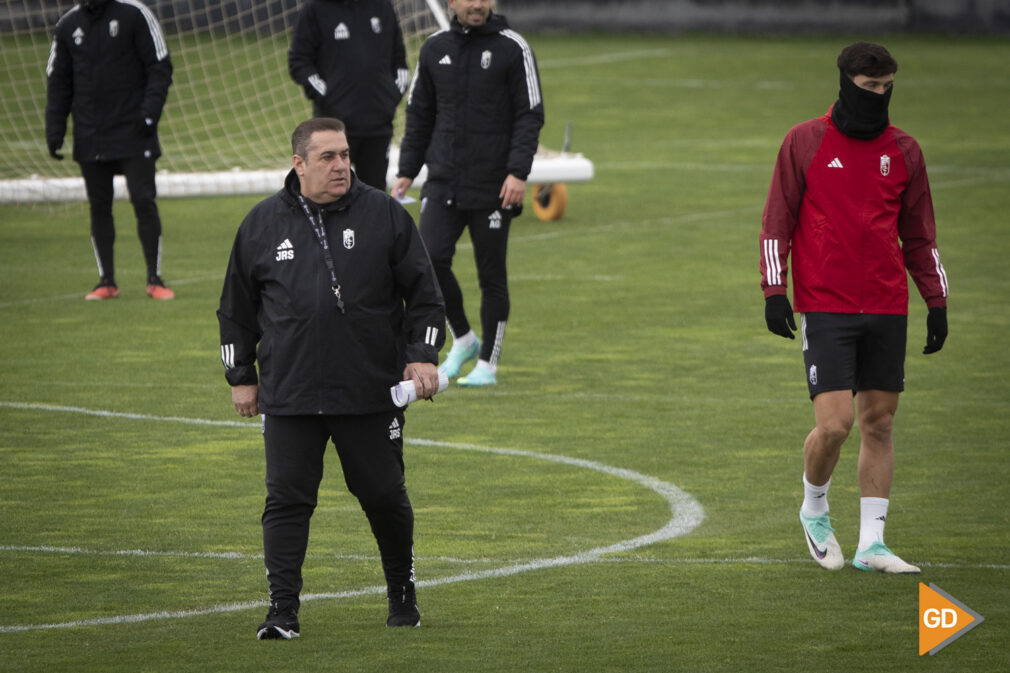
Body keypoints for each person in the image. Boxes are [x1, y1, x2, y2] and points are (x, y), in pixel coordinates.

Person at [218, 117, 444, 639]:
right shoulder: (260, 225)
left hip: (368, 390)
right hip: (290, 393)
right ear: (299, 163)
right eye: (327, 157)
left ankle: (402, 592)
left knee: (384, 495)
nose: (341, 165)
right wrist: (240, 375)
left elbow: (427, 296)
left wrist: (423, 354)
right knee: (287, 501)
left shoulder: (384, 214)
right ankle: (282, 611)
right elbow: (234, 311)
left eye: (345, 155)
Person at [760, 42, 949, 574]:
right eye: (870, 89)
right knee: (837, 424)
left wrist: (935, 301)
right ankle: (815, 509)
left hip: (888, 304)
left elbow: (919, 235)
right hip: (825, 304)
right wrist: (775, 292)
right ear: (846, 83)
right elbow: (777, 222)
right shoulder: (805, 141)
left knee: (880, 423)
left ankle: (873, 546)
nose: (879, 97)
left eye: (887, 88)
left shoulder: (905, 151)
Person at [392, 0, 544, 387]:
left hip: (495, 185)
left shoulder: (514, 47)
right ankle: (463, 340)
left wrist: (517, 173)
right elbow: (420, 113)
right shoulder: (434, 48)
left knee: (490, 275)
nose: (477, 4)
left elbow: (530, 114)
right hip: (443, 181)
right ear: (450, 3)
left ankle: (488, 365)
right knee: (429, 261)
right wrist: (408, 170)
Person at [45, 0, 175, 301]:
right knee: (99, 206)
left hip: (135, 131)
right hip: (91, 135)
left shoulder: (135, 14)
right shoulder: (67, 25)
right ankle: (107, 281)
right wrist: (55, 130)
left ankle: (154, 279)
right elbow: (58, 81)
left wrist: (148, 115)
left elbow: (160, 65)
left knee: (143, 200)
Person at [288, 0, 410, 191]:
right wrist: (329, 97)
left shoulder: (382, 6)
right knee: (330, 193)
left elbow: (399, 59)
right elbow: (299, 61)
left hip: (377, 125)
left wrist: (389, 97)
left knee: (374, 197)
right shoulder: (315, 9)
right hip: (333, 129)